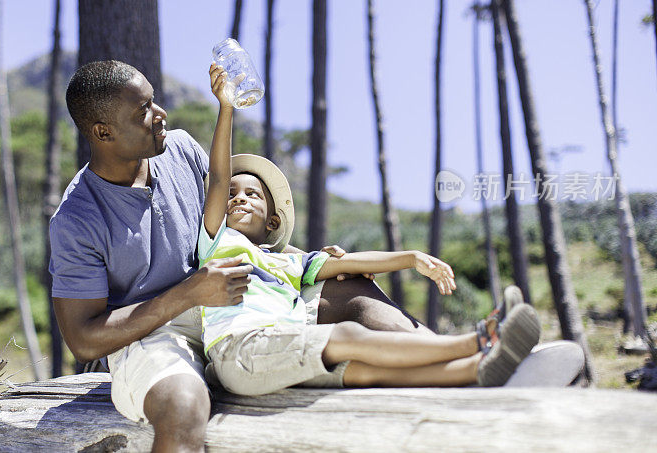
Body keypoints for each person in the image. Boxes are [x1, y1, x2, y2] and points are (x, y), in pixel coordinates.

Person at [48, 60, 474, 451]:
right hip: (153, 332)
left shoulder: (179, 149)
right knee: (183, 406)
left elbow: (228, 234)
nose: (160, 113)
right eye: (143, 110)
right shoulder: (77, 218)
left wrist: (302, 261)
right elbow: (83, 339)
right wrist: (188, 294)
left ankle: (462, 360)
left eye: (154, 99)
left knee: (352, 286)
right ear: (103, 132)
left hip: (237, 299)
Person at [199, 63, 540, 394]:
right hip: (240, 348)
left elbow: (353, 263)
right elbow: (217, 179)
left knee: (366, 372)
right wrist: (227, 108)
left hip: (280, 354)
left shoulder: (290, 264)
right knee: (348, 337)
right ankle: (479, 341)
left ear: (273, 222)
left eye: (251, 194)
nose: (238, 199)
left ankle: (477, 370)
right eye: (231, 195)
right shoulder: (217, 240)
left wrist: (411, 257)